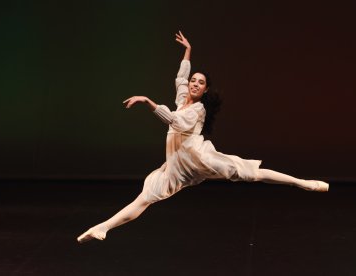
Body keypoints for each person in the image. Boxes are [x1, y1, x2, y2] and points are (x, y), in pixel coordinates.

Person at [77, 31, 329, 243]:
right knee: (145, 197)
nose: (195, 84)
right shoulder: (183, 97)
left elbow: (173, 120)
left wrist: (147, 101)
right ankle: (103, 228)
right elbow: (179, 78)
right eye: (194, 81)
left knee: (250, 173)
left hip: (199, 158)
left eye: (201, 83)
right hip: (177, 164)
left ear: (205, 90)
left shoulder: (198, 110)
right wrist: (188, 51)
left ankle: (302, 182)